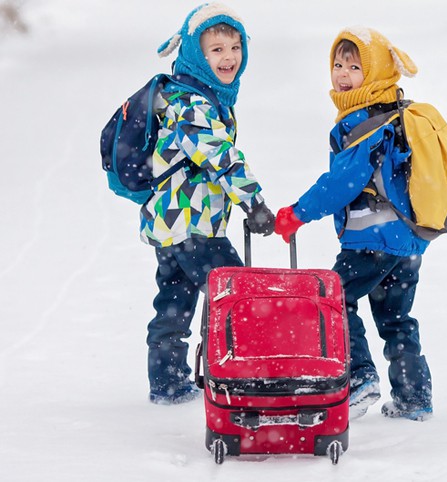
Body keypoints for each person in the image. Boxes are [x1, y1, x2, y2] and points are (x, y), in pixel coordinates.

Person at [273, 27, 433, 421]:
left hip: (371, 239)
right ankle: (415, 398)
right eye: (338, 65)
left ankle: (360, 378)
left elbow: (343, 183)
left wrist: (298, 212)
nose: (343, 74)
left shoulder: (363, 122)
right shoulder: (396, 114)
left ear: (375, 71)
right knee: (396, 319)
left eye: (355, 66)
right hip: (408, 240)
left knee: (332, 300)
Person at [141, 3, 274, 405]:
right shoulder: (191, 103)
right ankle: (243, 378)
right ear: (197, 54)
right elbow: (217, 154)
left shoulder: (195, 95)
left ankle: (167, 385)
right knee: (237, 295)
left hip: (172, 224)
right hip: (193, 223)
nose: (229, 57)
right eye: (216, 50)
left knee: (174, 304)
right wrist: (254, 202)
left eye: (235, 47)